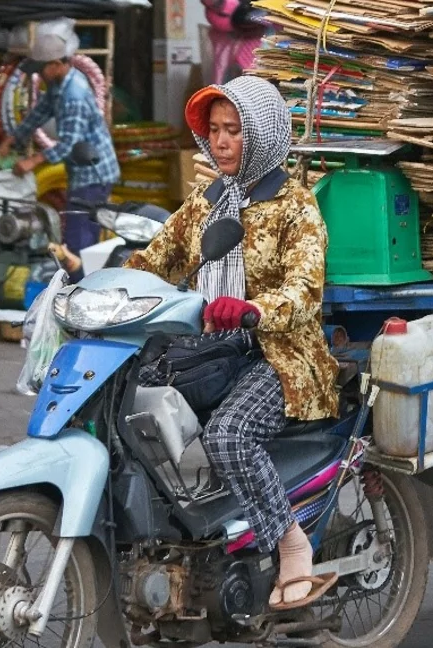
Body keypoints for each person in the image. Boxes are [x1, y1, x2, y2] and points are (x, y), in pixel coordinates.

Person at [123, 76, 339, 611]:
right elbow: (155, 259)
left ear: (261, 135)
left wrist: (254, 309)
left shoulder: (296, 207)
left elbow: (304, 288)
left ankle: (291, 543)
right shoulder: (206, 201)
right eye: (214, 130)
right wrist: (95, 283)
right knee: (128, 410)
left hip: (281, 355)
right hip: (210, 350)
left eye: (234, 131)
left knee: (229, 436)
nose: (220, 142)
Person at [0, 31, 119, 270]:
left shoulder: (74, 94)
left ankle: (82, 288)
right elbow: (39, 113)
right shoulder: (57, 85)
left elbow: (68, 144)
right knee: (77, 233)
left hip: (93, 173)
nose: (40, 75)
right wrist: (10, 140)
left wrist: (33, 162)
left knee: (79, 238)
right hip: (81, 171)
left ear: (56, 64)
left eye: (42, 69)